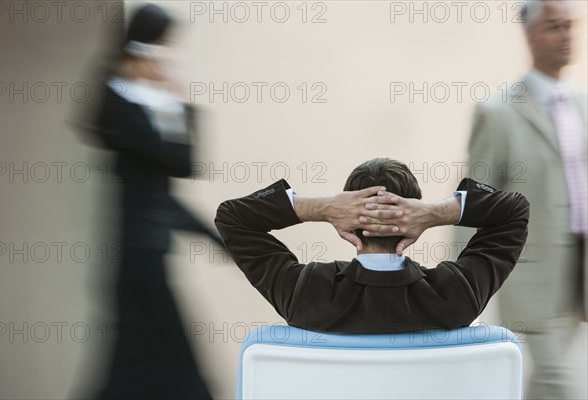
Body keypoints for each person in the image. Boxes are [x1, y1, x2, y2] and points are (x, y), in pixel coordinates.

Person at [215, 158, 529, 333]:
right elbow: (514, 211)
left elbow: (233, 217)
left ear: (347, 220)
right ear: (414, 217)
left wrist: (321, 208)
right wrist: (436, 212)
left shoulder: (306, 293)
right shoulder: (457, 295)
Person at [93, 4, 217, 399]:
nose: (169, 56)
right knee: (177, 371)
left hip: (146, 258)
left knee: (129, 373)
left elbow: (167, 188)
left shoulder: (140, 106)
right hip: (138, 261)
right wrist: (176, 103)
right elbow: (180, 163)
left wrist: (216, 238)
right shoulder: (122, 107)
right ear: (141, 48)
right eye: (162, 45)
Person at [466, 0, 586, 397]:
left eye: (571, 26)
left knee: (546, 381)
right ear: (530, 33)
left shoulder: (583, 107)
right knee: (556, 380)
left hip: (579, 270)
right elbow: (473, 200)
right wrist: (463, 282)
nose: (567, 36)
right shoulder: (499, 113)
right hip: (531, 274)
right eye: (555, 27)